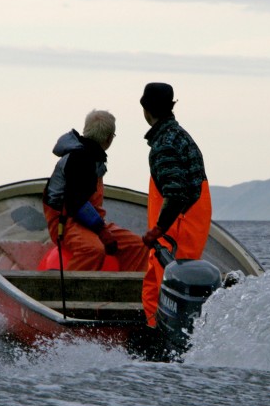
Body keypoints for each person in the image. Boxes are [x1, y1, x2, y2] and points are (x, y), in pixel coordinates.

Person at [139, 82, 213, 327]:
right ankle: (156, 332)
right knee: (157, 284)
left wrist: (158, 230)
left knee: (165, 284)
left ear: (146, 109)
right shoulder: (181, 137)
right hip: (189, 228)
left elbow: (175, 193)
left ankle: (160, 342)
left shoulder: (164, 145)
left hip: (175, 231)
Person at [42, 109, 147, 271]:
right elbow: (75, 204)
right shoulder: (80, 159)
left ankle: (128, 290)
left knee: (138, 245)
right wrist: (103, 232)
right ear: (109, 138)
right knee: (92, 250)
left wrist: (101, 229)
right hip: (66, 223)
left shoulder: (92, 157)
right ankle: (73, 293)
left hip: (90, 223)